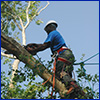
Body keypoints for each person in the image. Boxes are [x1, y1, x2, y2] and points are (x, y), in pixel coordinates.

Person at [25, 20, 80, 95]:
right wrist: (35, 47)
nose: (46, 32)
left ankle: (73, 86)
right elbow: (43, 45)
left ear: (50, 27)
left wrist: (34, 49)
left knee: (60, 73)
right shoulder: (56, 35)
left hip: (63, 54)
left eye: (46, 30)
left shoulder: (53, 33)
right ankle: (76, 92)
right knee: (65, 75)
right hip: (68, 55)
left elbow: (45, 45)